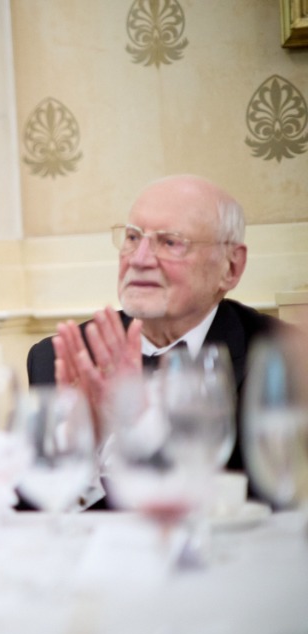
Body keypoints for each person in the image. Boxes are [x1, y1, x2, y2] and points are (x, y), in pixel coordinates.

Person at [26, 174, 288, 499]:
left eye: (170, 242)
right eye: (133, 237)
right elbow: (34, 507)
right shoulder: (58, 358)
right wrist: (84, 441)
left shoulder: (286, 358)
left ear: (230, 268)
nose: (139, 260)